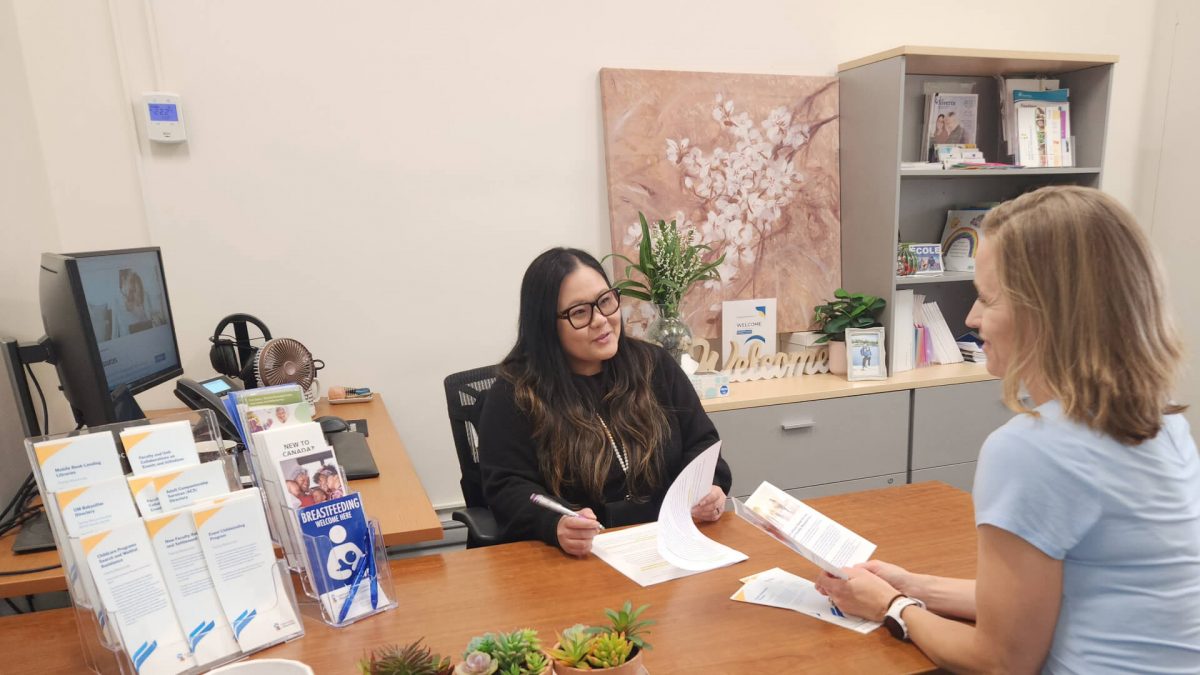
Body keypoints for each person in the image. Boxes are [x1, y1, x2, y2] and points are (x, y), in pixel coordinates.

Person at [815, 186, 1200, 673]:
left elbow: (1001, 660)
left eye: (987, 299)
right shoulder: (1160, 420)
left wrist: (892, 608)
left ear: (1047, 312)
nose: (971, 318)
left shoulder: (1032, 449)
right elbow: (1062, 594)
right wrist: (912, 585)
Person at [479, 247, 732, 557]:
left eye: (605, 301)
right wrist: (554, 523)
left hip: (667, 543)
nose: (601, 320)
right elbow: (507, 485)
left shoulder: (654, 366)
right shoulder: (516, 393)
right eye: (579, 312)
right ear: (545, 324)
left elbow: (702, 442)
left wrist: (711, 487)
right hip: (577, 556)